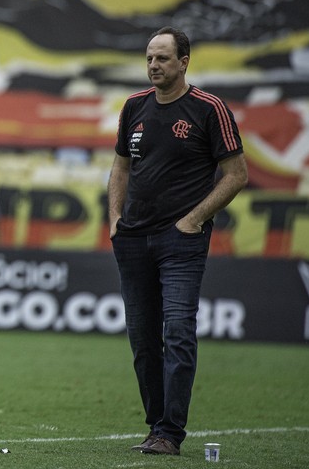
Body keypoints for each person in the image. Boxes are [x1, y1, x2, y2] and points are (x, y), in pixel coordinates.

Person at [107, 26, 248, 456]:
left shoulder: (209, 109)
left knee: (180, 330)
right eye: (149, 58)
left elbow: (237, 174)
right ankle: (156, 426)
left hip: (181, 241)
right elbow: (120, 169)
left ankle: (171, 432)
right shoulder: (133, 107)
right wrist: (115, 219)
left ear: (184, 62)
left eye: (162, 58)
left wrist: (195, 219)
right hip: (133, 239)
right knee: (143, 338)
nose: (153, 65)